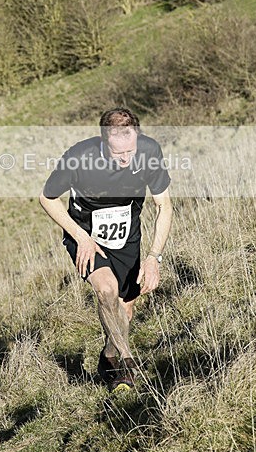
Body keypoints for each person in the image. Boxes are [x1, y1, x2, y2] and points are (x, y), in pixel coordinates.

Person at [40, 108, 172, 392]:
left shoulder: (149, 151)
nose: (126, 159)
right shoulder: (78, 157)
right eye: (117, 154)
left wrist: (153, 257)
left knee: (125, 309)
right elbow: (47, 198)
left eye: (131, 151)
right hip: (86, 236)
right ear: (102, 142)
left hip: (126, 236)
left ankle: (109, 355)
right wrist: (81, 237)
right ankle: (127, 364)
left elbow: (164, 205)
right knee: (107, 290)